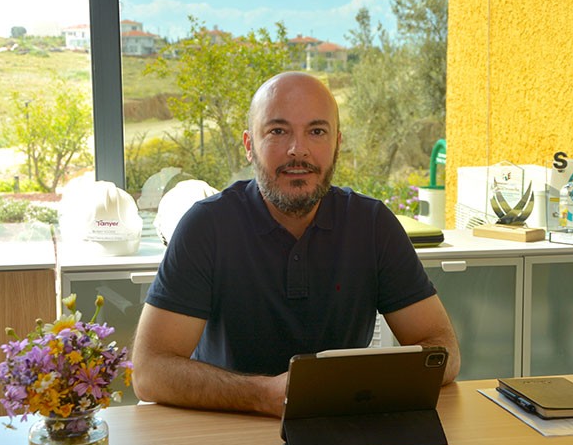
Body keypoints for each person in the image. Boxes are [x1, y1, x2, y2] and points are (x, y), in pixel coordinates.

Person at [132, 71, 460, 418]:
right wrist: (262, 395)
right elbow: (150, 371)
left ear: (337, 144)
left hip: (341, 427)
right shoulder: (206, 226)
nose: (298, 150)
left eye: (316, 132)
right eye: (278, 131)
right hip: (227, 429)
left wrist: (359, 388)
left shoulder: (373, 224)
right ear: (249, 145)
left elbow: (444, 351)